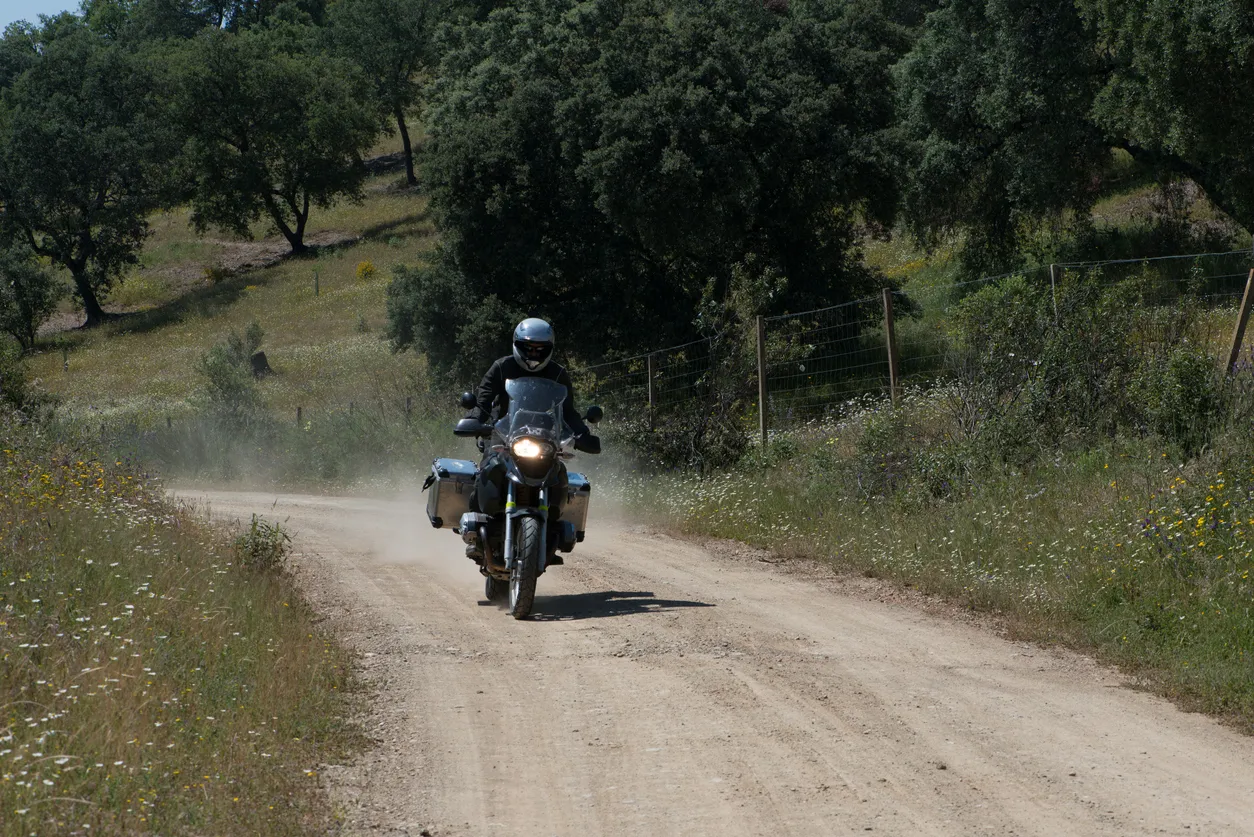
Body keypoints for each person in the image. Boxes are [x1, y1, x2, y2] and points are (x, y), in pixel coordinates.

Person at [464, 318, 599, 562]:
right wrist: (475, 419)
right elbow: (483, 401)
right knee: (486, 471)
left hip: (544, 438)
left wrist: (583, 434)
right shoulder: (502, 367)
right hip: (503, 436)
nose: (534, 353)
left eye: (540, 349)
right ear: (518, 345)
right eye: (529, 348)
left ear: (549, 348)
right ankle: (475, 532)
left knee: (558, 474)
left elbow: (568, 412)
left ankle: (553, 534)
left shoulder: (558, 374)